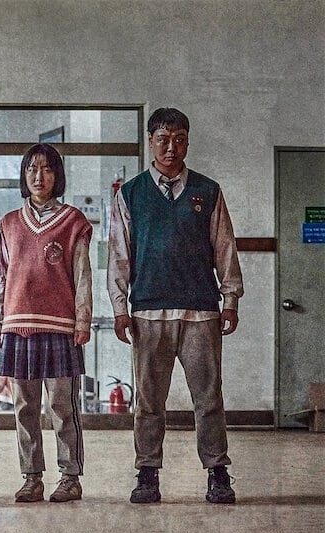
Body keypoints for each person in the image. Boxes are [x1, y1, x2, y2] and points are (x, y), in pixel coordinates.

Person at [108, 107, 243, 504]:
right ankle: (147, 473)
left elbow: (225, 248)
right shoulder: (130, 193)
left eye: (179, 140)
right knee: (149, 401)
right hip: (148, 312)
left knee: (209, 397)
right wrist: (120, 308)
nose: (171, 147)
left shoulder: (208, 191)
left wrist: (230, 299)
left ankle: (218, 472)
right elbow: (119, 255)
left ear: (187, 143)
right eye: (163, 139)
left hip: (201, 311)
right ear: (151, 142)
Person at [0, 144, 92, 504]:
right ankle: (31, 477)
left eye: (47, 169)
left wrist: (83, 319)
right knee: (24, 408)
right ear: (24, 175)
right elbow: (0, 276)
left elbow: (82, 274)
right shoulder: (9, 223)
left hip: (61, 327)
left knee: (63, 407)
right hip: (18, 326)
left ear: (57, 175)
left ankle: (70, 477)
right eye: (32, 169)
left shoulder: (73, 221)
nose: (39, 176)